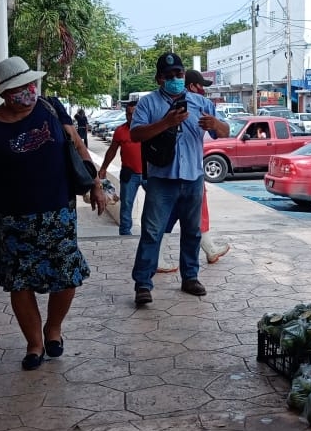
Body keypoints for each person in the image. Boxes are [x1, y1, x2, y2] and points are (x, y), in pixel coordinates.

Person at [0, 56, 106, 371]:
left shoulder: (50, 108)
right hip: (12, 219)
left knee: (67, 277)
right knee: (20, 282)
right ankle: (34, 344)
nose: (27, 92)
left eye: (29, 84)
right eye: (18, 88)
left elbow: (77, 146)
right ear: (3, 93)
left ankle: (53, 327)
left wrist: (95, 183)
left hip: (58, 213)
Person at [130, 53, 229, 305]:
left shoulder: (199, 102)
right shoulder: (148, 104)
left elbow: (225, 131)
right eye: (170, 75)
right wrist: (166, 122)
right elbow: (137, 135)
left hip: (193, 178)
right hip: (161, 179)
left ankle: (190, 277)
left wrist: (215, 123)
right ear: (159, 78)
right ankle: (143, 283)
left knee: (192, 231)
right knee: (152, 232)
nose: (175, 79)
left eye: (179, 74)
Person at [157, 70, 231, 271]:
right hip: (167, 174)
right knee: (174, 218)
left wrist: (215, 124)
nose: (203, 91)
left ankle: (194, 269)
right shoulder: (156, 104)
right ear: (191, 86)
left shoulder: (203, 106)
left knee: (188, 219)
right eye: (201, 87)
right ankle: (155, 265)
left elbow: (224, 131)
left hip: (192, 174)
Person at [98, 100, 144, 235]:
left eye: (134, 114)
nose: (131, 117)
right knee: (126, 206)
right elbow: (112, 150)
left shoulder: (149, 129)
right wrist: (103, 168)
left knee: (155, 205)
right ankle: (125, 234)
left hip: (150, 174)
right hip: (129, 174)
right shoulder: (120, 131)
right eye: (128, 114)